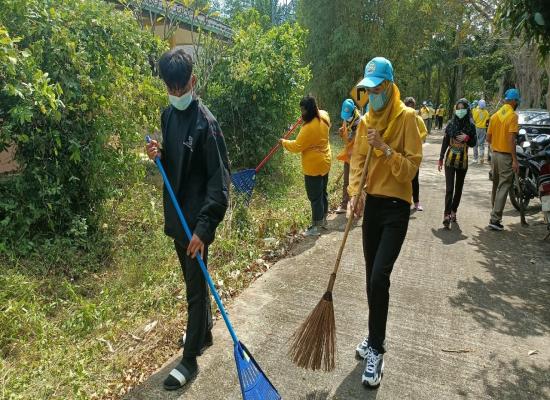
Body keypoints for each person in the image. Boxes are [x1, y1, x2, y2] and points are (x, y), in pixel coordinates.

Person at [145, 49, 230, 391]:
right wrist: (159, 155)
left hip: (196, 225)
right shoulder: (168, 115)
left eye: (182, 88)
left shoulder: (206, 125)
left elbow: (219, 183)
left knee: (195, 291)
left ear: (193, 82)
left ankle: (190, 359)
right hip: (177, 219)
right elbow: (174, 161)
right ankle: (203, 333)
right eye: (171, 88)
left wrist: (203, 229)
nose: (177, 94)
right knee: (192, 283)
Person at [348, 57, 422, 388]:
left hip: (396, 209)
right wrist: (354, 195)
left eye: (378, 89)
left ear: (389, 86)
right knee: (370, 279)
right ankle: (373, 334)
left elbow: (411, 170)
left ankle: (377, 351)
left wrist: (386, 149)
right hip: (374, 207)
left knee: (380, 277)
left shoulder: (407, 119)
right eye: (369, 90)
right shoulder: (365, 121)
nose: (373, 95)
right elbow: (357, 160)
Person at [281, 95, 331, 236]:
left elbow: (297, 146)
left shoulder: (308, 128)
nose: (301, 113)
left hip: (313, 166)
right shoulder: (324, 116)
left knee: (315, 197)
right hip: (325, 161)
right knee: (323, 192)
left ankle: (316, 227)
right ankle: (323, 220)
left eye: (303, 110)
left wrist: (284, 142)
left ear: (309, 109)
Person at [438, 98, 476, 228]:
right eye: (458, 108)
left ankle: (454, 211)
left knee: (458, 189)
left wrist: (467, 138)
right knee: (449, 189)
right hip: (449, 160)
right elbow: (445, 141)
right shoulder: (451, 124)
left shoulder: (471, 125)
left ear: (467, 110)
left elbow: (474, 143)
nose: (460, 111)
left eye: (462, 108)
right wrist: (440, 158)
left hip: (462, 162)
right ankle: (446, 215)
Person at [487, 89, 520, 231]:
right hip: (506, 156)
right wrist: (515, 160)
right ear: (514, 101)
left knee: (496, 185)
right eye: (517, 101)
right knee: (504, 185)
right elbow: (512, 140)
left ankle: (493, 214)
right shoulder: (512, 116)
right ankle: (495, 219)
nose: (517, 103)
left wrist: (495, 148)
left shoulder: (495, 116)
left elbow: (488, 138)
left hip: (494, 155)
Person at [336, 99, 360, 214]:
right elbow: (347, 140)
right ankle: (344, 205)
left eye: (348, 116)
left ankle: (358, 207)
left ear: (353, 112)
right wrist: (342, 133)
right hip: (348, 156)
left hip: (358, 158)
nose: (346, 118)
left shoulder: (361, 122)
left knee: (357, 183)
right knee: (346, 181)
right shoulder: (346, 120)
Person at [404, 96, 428, 211]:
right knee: (404, 178)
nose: (410, 109)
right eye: (408, 106)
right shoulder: (401, 119)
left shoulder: (418, 119)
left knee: (414, 178)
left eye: (412, 106)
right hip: (403, 153)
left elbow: (424, 132)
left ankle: (416, 202)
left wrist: (416, 139)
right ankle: (405, 201)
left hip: (415, 154)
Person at [472, 99, 490, 164]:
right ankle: (481, 158)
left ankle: (475, 158)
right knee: (481, 144)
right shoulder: (486, 112)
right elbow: (487, 121)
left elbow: (474, 119)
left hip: (476, 128)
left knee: (475, 143)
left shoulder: (476, 111)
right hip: (483, 129)